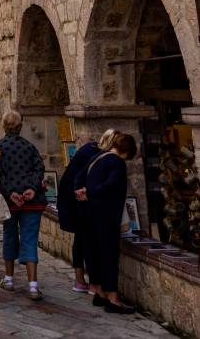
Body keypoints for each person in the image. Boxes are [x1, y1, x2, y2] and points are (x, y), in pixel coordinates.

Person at [74, 131, 137, 314]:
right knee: (109, 255)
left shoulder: (98, 157)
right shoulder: (117, 163)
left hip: (89, 214)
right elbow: (110, 185)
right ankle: (112, 298)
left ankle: (99, 292)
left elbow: (78, 177)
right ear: (127, 151)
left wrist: (82, 191)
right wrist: (91, 192)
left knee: (94, 252)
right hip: (106, 216)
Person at [57, 128, 118, 293]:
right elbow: (81, 178)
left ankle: (82, 280)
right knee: (86, 240)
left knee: (81, 239)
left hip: (75, 198)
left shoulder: (91, 150)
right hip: (77, 200)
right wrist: (85, 194)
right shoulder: (95, 155)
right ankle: (90, 283)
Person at [0, 110, 47, 301]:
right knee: (30, 238)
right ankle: (33, 286)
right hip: (31, 202)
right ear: (20, 126)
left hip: (10, 202)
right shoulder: (29, 147)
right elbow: (39, 168)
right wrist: (32, 189)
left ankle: (9, 279)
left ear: (4, 125)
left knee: (9, 236)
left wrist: (11, 193)